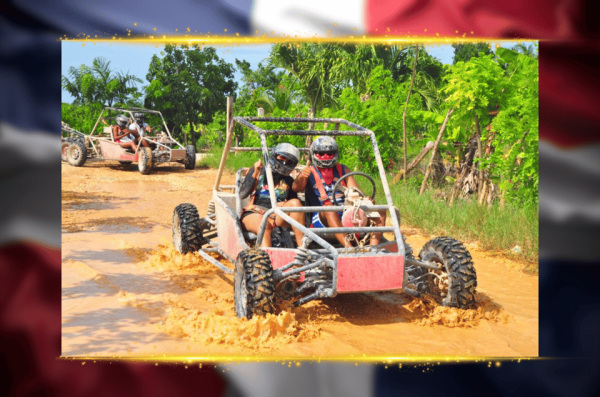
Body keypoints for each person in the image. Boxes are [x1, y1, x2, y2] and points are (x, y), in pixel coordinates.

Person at [294, 136, 387, 248]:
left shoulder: (343, 169)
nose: (325, 156)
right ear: (314, 154)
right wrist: (302, 177)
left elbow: (355, 191)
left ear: (335, 154)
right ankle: (349, 249)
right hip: (321, 218)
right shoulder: (309, 172)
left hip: (346, 212)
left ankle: (373, 249)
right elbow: (295, 188)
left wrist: (365, 200)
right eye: (321, 153)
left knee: (380, 210)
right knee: (329, 209)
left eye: (329, 153)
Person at [239, 143, 306, 248]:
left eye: (289, 161)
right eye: (282, 157)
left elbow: (293, 205)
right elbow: (242, 194)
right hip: (254, 212)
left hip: (276, 215)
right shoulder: (259, 171)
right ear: (275, 156)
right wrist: (255, 172)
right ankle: (268, 258)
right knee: (264, 224)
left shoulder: (289, 180)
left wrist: (283, 203)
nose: (285, 162)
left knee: (296, 203)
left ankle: (303, 251)